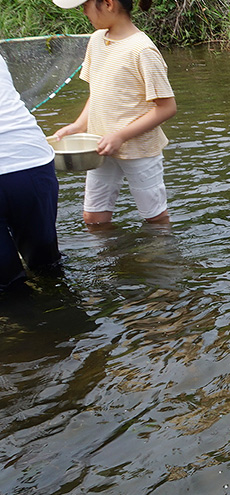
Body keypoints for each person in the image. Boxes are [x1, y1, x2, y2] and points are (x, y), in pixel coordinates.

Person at [52, 0, 177, 226]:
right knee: (93, 218)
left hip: (139, 150)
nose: (83, 12)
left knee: (155, 218)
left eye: (86, 5)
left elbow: (167, 107)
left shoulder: (142, 49)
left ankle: (159, 259)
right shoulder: (97, 40)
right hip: (99, 147)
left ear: (108, 4)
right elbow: (98, 92)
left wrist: (120, 136)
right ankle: (108, 259)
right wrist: (78, 126)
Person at [1, 54, 62, 293]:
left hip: (27, 162)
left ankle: (27, 330)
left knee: (7, 285)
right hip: (31, 162)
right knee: (48, 266)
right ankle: (72, 326)